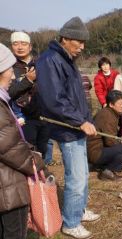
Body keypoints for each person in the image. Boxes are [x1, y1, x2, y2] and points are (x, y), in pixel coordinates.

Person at [36, 17, 100, 238]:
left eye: (84, 43)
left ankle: (79, 210)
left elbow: (76, 97)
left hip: (77, 126)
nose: (82, 47)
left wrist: (87, 119)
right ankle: (70, 222)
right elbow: (54, 99)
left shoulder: (67, 58)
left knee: (82, 173)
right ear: (65, 38)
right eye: (78, 42)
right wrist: (79, 121)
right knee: (77, 177)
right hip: (68, 128)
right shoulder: (49, 60)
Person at [0, 43, 44, 239]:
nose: (12, 75)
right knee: (14, 232)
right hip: (8, 186)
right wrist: (35, 163)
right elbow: (9, 147)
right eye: (10, 69)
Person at [8, 31, 50, 160]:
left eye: (23, 43)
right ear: (11, 47)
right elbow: (8, 93)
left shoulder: (42, 63)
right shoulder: (7, 67)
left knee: (43, 149)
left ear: (30, 47)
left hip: (44, 114)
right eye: (15, 44)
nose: (20, 47)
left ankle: (41, 175)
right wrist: (28, 80)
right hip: (22, 117)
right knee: (28, 151)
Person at [87, 90, 122, 181]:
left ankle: (100, 166)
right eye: (120, 103)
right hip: (95, 152)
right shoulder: (107, 116)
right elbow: (110, 141)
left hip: (97, 149)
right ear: (111, 104)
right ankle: (107, 172)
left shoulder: (110, 113)